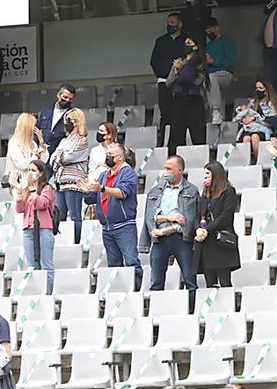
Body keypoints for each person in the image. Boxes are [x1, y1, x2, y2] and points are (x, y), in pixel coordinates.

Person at [138, 155, 200, 313]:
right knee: (156, 281)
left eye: (169, 169)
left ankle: (192, 313)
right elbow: (150, 217)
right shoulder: (155, 190)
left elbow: (188, 220)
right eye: (164, 168)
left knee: (190, 280)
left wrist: (165, 227)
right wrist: (170, 218)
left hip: (181, 239)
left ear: (180, 170)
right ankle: (156, 315)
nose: (165, 172)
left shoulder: (191, 191)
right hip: (159, 240)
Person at [79, 143, 142, 291]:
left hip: (124, 225)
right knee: (113, 264)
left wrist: (102, 188)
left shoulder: (127, 172)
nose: (107, 157)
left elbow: (122, 192)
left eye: (110, 154)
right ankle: (117, 292)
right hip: (107, 227)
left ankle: (136, 291)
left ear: (119, 157)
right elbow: (93, 198)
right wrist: (86, 190)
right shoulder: (103, 175)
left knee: (131, 261)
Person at [193, 162, 241, 287]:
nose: (205, 177)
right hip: (206, 244)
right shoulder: (204, 195)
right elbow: (197, 216)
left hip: (221, 243)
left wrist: (206, 230)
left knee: (224, 281)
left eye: (208, 174)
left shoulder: (229, 191)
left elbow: (225, 216)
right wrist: (198, 229)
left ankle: (228, 306)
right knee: (210, 283)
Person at [15, 160, 55, 295]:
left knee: (46, 265)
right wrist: (20, 195)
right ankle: (38, 293)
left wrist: (34, 194)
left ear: (41, 173)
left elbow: (43, 204)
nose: (30, 173)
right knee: (33, 265)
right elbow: (20, 209)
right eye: (29, 170)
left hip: (44, 229)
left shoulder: (47, 188)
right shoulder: (26, 189)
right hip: (28, 230)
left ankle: (48, 294)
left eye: (34, 170)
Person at [50, 108, 89, 244]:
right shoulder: (63, 141)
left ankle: (76, 242)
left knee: (74, 215)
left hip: (74, 183)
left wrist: (59, 157)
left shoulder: (82, 141)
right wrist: (59, 157)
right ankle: (62, 241)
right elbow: (52, 159)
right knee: (59, 216)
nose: (67, 123)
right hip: (60, 183)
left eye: (70, 120)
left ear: (78, 122)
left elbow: (67, 157)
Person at [167, 36, 209, 155]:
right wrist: (176, 71)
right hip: (179, 101)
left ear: (196, 46)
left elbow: (196, 81)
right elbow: (168, 82)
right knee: (176, 135)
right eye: (185, 43)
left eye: (189, 42)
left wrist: (183, 70)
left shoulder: (200, 62)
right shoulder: (179, 61)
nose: (186, 45)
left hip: (195, 102)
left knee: (198, 135)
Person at [151, 12, 187, 146]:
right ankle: (162, 146)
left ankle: (178, 145)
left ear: (180, 24)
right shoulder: (160, 41)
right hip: (164, 82)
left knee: (180, 115)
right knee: (165, 114)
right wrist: (164, 74)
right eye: (168, 23)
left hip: (182, 82)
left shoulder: (186, 40)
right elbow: (154, 62)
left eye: (172, 22)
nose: (169, 25)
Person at [6, 112, 49, 196]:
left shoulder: (32, 144)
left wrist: (42, 143)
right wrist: (35, 157)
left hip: (34, 185)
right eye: (32, 127)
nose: (34, 129)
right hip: (19, 186)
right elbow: (21, 164)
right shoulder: (14, 143)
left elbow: (43, 161)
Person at [205, 17, 237, 124]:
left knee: (211, 77)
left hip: (225, 74)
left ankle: (216, 111)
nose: (208, 32)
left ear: (217, 28)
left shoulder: (227, 42)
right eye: (206, 30)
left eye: (210, 29)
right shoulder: (207, 46)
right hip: (209, 75)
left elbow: (231, 63)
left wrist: (213, 61)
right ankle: (209, 114)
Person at [36, 84, 76, 157]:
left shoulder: (72, 115)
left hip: (59, 157)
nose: (67, 100)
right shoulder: (45, 111)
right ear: (58, 95)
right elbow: (37, 131)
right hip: (42, 154)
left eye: (70, 99)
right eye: (65, 97)